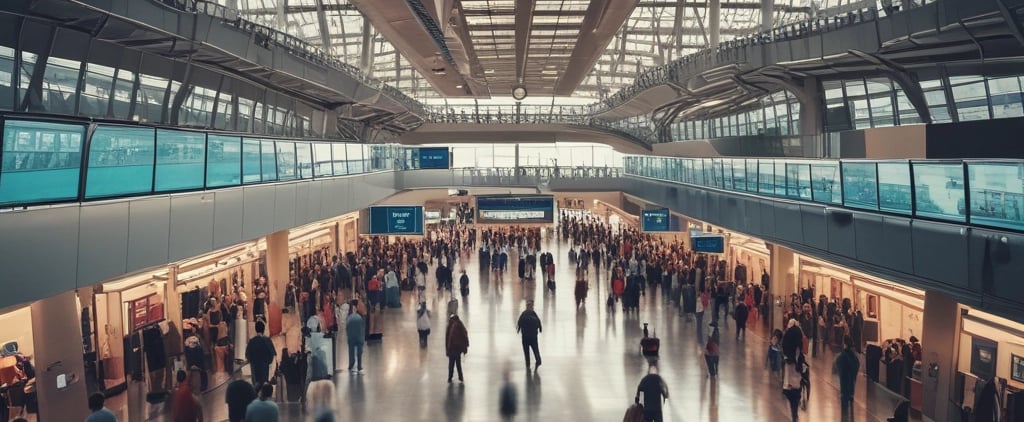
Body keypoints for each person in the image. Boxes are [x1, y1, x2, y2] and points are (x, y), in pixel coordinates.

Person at [834, 334, 861, 417]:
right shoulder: (854, 356)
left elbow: (838, 365)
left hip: (844, 388)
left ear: (844, 344)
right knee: (851, 413)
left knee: (844, 413)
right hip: (851, 389)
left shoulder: (843, 355)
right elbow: (857, 365)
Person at [245, 320, 277, 386]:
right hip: (265, 367)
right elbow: (273, 354)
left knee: (256, 385)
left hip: (255, 367)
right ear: (264, 329)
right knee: (264, 385)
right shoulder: (267, 340)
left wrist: (252, 361)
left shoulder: (252, 341)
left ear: (256, 329)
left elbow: (247, 355)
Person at [516, 300, 543, 371]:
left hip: (525, 336)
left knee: (526, 350)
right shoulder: (534, 314)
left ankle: (527, 363)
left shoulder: (523, 314)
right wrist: (540, 329)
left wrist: (518, 330)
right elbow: (539, 322)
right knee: (535, 348)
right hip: (533, 336)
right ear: (531, 307)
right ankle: (538, 359)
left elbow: (519, 323)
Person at [782, 352, 808, 422]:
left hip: (788, 387)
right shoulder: (800, 358)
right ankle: (794, 416)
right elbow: (804, 372)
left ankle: (794, 416)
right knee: (794, 405)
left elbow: (785, 374)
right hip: (796, 387)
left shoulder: (787, 360)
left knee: (792, 404)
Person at [445, 314, 469, 383]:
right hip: (458, 349)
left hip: (453, 348)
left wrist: (448, 349)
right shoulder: (459, 324)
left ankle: (450, 377)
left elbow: (449, 338)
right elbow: (465, 335)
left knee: (451, 364)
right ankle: (460, 377)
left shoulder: (451, 325)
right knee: (458, 364)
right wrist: (464, 347)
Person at [346, 301, 366, 373]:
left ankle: (351, 363)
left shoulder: (349, 318)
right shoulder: (360, 318)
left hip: (351, 336)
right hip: (359, 336)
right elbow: (362, 329)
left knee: (351, 349)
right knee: (359, 351)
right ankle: (359, 366)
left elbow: (347, 328)